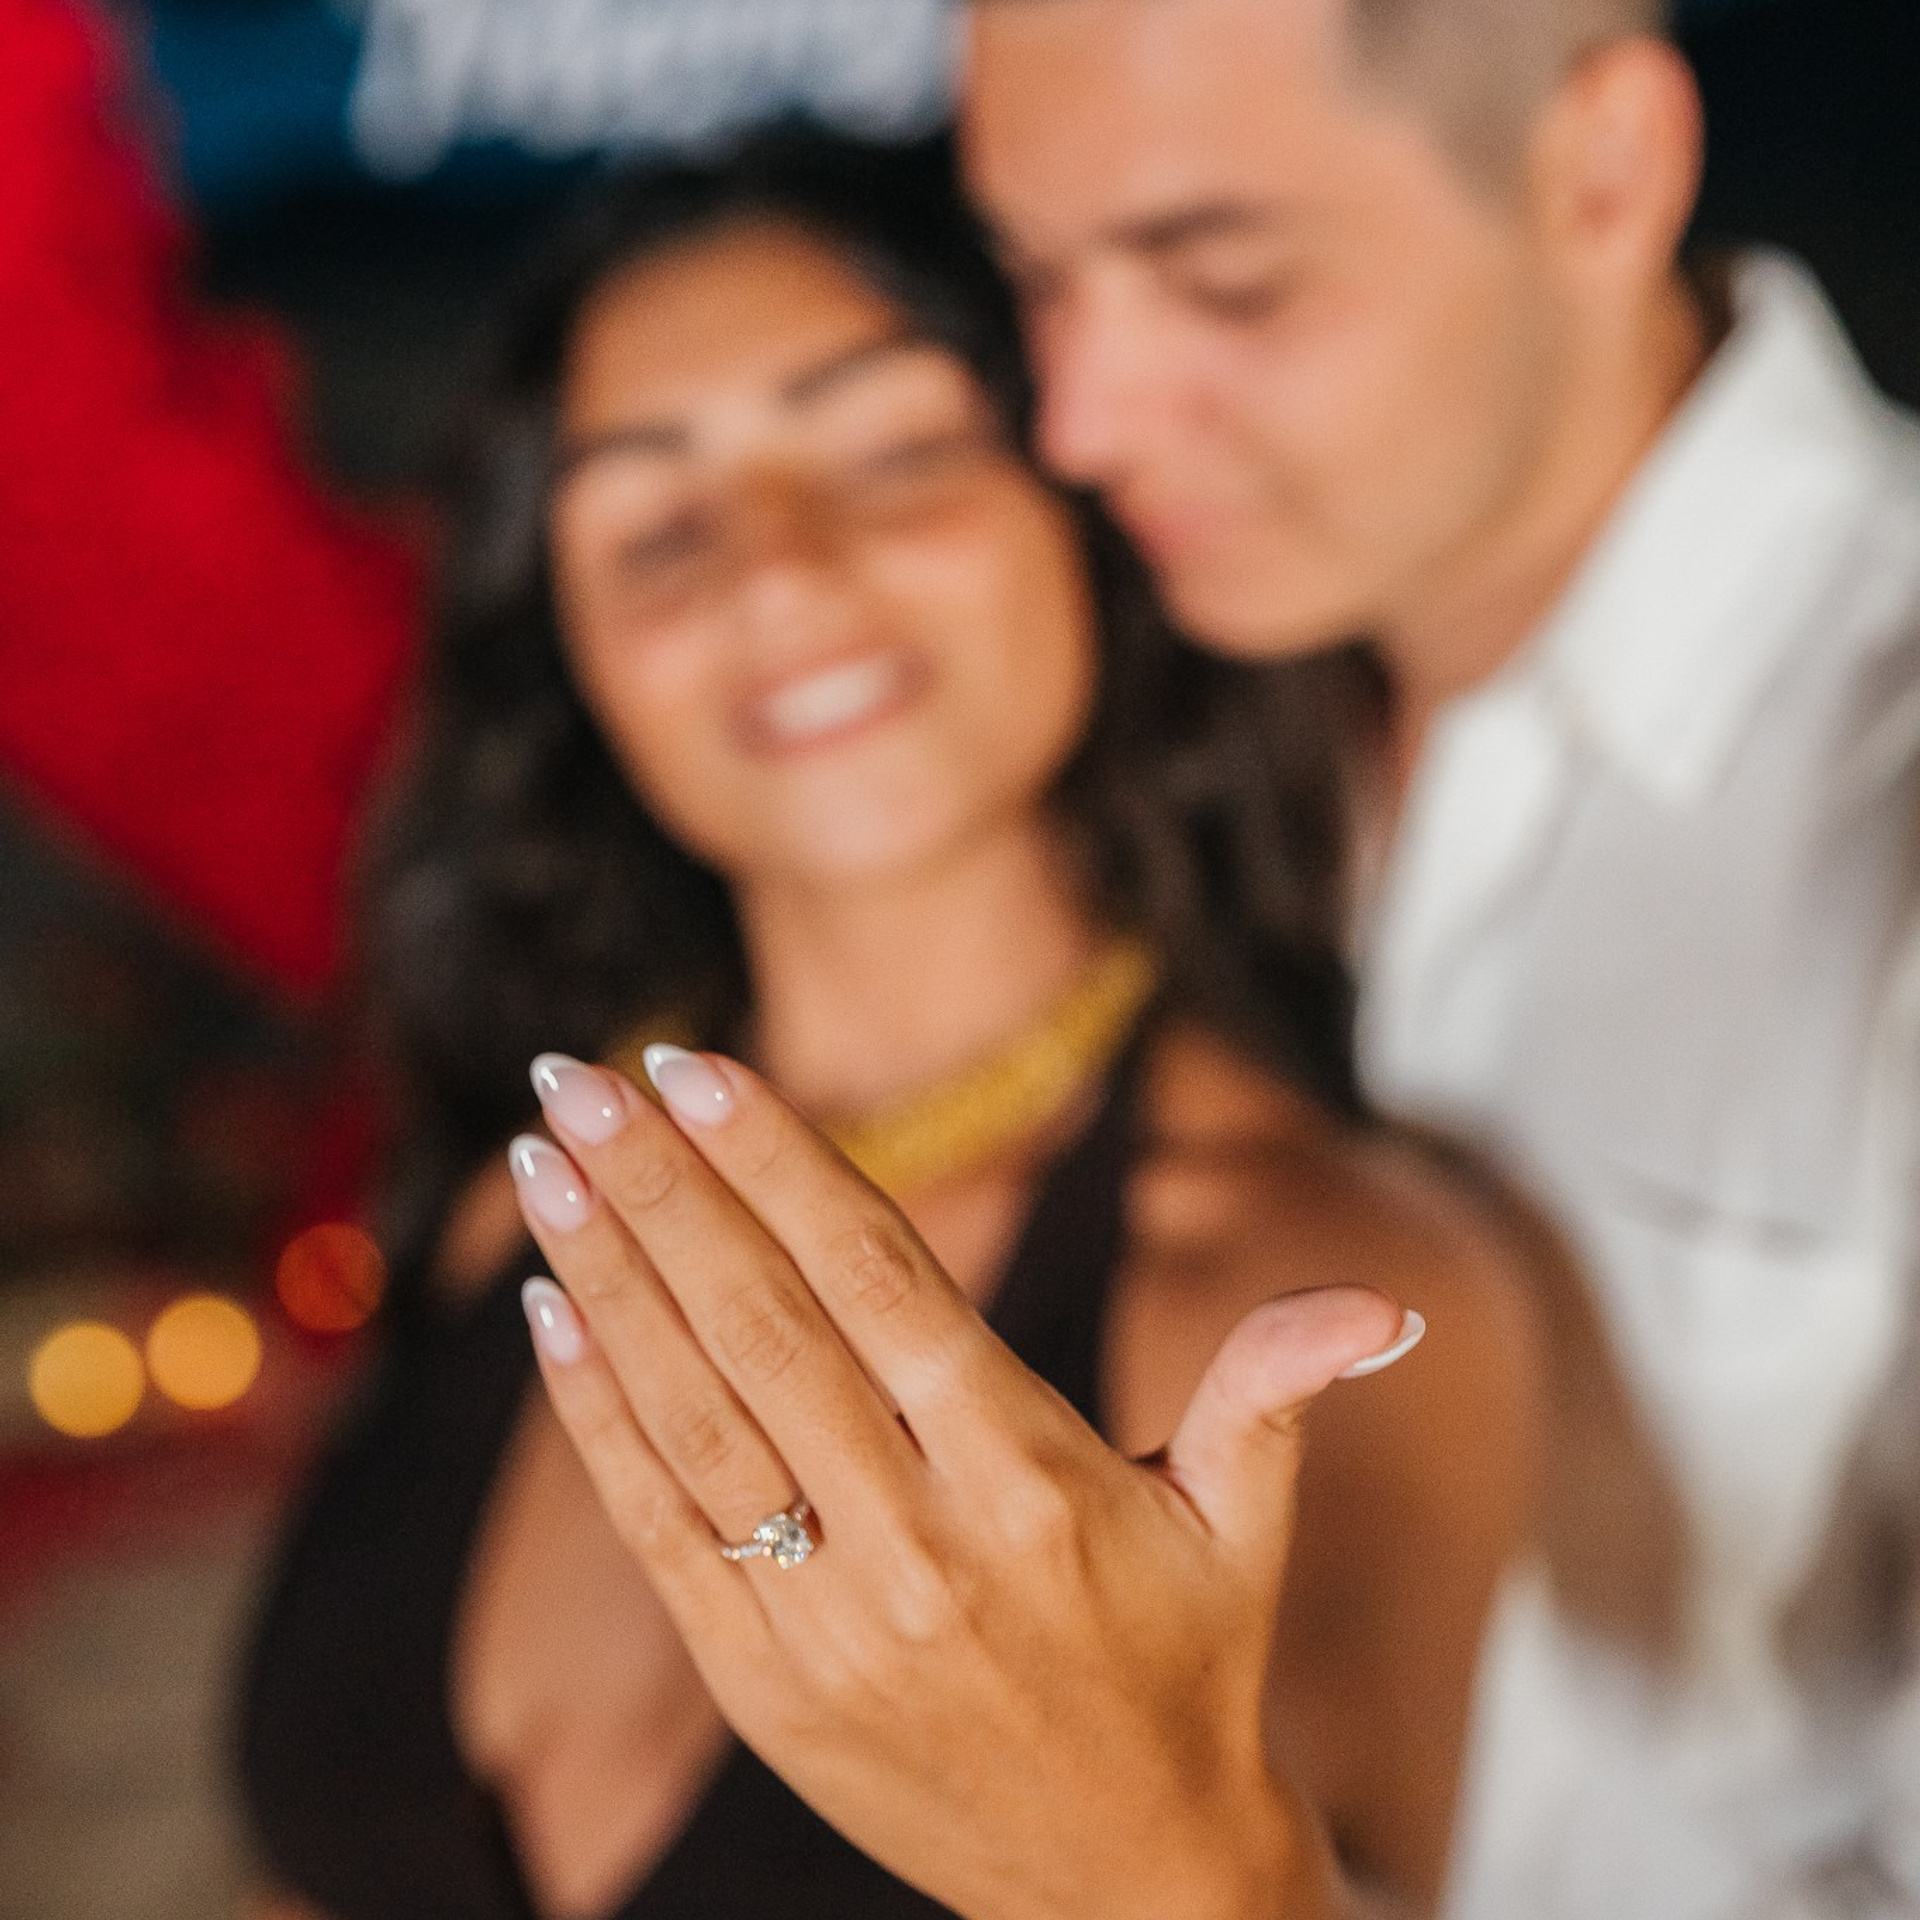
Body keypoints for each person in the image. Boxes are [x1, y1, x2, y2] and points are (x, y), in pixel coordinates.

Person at [519, 0, 1920, 1914]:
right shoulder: (1174, 698)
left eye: (1227, 282)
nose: (1083, 419)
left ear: (1602, 169)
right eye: (1038, 283)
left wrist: (1175, 1873)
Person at [238, 139, 1538, 1920]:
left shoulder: (1310, 1277)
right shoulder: (512, 1213)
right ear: (575, 653)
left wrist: (1185, 1866)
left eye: (898, 451)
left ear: (1090, 514)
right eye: (657, 523)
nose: (776, 572)